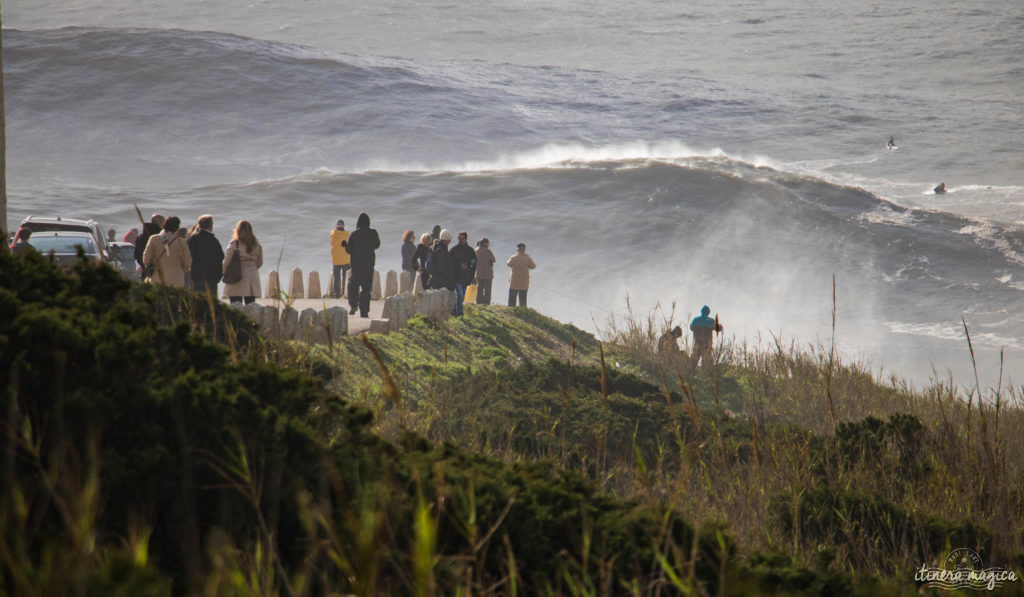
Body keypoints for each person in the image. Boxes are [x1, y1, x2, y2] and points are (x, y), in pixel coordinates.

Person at [345, 213, 381, 317]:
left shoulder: (354, 234)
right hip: (368, 265)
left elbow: (349, 250)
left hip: (356, 266)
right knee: (366, 289)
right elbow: (377, 245)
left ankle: (353, 305)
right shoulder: (373, 233)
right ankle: (364, 312)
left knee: (352, 285)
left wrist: (345, 245)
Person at [142, 216, 192, 287]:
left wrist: (152, 268)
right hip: (177, 278)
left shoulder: (154, 239)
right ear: (177, 228)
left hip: (157, 277)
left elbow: (146, 259)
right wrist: (181, 271)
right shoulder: (181, 242)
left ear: (164, 225)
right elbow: (188, 262)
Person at [222, 220, 263, 305]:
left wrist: (224, 272)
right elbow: (260, 262)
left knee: (236, 305)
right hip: (252, 276)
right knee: (251, 305)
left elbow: (227, 261)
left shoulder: (234, 244)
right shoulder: (256, 244)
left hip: (237, 276)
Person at [187, 214, 225, 295]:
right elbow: (220, 258)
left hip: (196, 276)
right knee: (212, 301)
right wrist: (219, 275)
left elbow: (187, 255)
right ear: (211, 225)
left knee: (198, 300)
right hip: (211, 278)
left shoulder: (193, 239)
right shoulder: (213, 240)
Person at [449, 231, 477, 316]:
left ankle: (455, 311)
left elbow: (474, 262)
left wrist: (468, 266)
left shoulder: (470, 250)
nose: (460, 240)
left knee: (462, 296)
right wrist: (459, 266)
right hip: (456, 277)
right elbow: (449, 263)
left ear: (466, 239)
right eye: (459, 238)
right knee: (459, 295)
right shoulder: (454, 250)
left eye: (462, 238)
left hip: (466, 277)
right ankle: (459, 313)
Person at [506, 242, 536, 307]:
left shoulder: (513, 257)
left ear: (517, 250)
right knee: (523, 299)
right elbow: (533, 266)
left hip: (514, 281)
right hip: (524, 282)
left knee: (512, 299)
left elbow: (508, 264)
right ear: (524, 249)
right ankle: (522, 311)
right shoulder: (528, 258)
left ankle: (511, 310)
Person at [330, 219, 350, 299]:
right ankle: (344, 292)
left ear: (336, 226)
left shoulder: (332, 234)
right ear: (343, 226)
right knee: (345, 277)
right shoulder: (346, 234)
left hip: (335, 260)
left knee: (336, 278)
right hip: (345, 259)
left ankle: (336, 294)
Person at [474, 237, 496, 305]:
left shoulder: (476, 250)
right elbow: (494, 260)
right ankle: (486, 303)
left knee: (479, 288)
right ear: (486, 243)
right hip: (487, 273)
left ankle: (478, 302)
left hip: (479, 273)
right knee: (487, 289)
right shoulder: (488, 251)